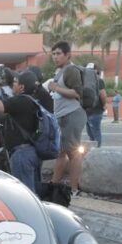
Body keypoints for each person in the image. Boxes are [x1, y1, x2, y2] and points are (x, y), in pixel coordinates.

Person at [0, 71, 42, 193]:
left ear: (22, 87)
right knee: (32, 192)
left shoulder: (21, 101)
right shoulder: (32, 101)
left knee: (25, 194)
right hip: (31, 152)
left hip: (22, 155)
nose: (12, 85)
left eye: (15, 82)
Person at [49, 41, 87, 193]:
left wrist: (56, 87)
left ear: (67, 55)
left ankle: (74, 189)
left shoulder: (71, 70)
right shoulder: (60, 71)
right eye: (54, 54)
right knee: (60, 152)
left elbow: (78, 93)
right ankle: (54, 185)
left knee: (73, 153)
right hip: (61, 116)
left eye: (59, 54)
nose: (55, 57)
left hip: (71, 115)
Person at [84, 64, 107, 148]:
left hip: (93, 111)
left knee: (94, 134)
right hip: (88, 112)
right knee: (92, 134)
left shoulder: (98, 80)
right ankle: (93, 151)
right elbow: (103, 95)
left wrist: (104, 105)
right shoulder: (91, 81)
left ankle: (96, 152)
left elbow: (103, 95)